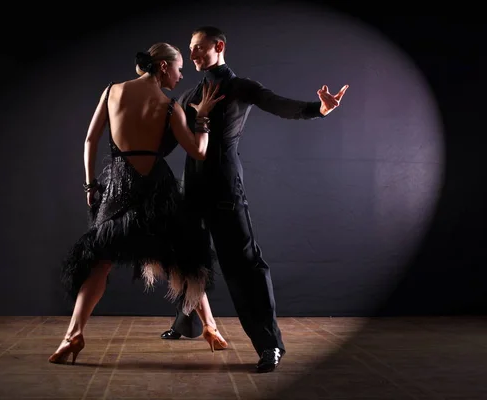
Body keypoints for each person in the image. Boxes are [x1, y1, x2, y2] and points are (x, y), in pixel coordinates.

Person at [159, 26, 349, 373]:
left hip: (225, 188)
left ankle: (269, 346)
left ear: (219, 46)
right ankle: (185, 323)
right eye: (190, 50)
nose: (194, 55)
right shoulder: (189, 94)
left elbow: (278, 104)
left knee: (244, 267)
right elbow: (171, 141)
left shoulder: (239, 87)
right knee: (189, 259)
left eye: (200, 48)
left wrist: (318, 109)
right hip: (191, 189)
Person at [49, 42, 227, 365]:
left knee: (101, 260)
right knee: (183, 256)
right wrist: (202, 118)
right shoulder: (170, 107)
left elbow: (90, 140)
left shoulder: (112, 92)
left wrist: (90, 184)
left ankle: (72, 335)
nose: (181, 74)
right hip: (157, 188)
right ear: (162, 67)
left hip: (119, 185)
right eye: (177, 68)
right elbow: (199, 151)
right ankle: (211, 326)